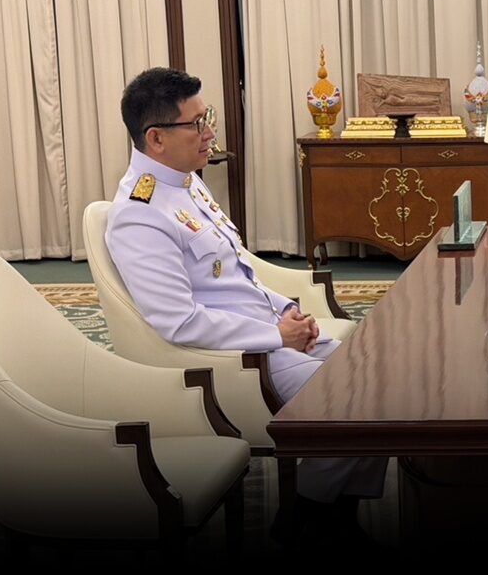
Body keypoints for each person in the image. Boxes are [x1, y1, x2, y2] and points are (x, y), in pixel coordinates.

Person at [106, 67, 383, 539]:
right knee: (354, 403)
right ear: (156, 138)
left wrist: (286, 311)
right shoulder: (140, 214)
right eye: (197, 123)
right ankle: (305, 519)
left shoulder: (185, 182)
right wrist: (276, 335)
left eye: (207, 117)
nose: (209, 132)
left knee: (379, 381)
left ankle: (336, 517)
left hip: (265, 334)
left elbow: (236, 274)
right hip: (235, 358)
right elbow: (179, 322)